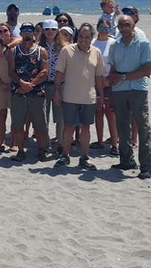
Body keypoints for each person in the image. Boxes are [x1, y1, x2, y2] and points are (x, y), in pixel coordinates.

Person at [107, 15, 151, 179]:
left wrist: (124, 77)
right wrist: (111, 93)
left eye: (127, 24)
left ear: (133, 25)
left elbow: (146, 70)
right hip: (119, 91)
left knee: (143, 127)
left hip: (138, 90)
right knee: (122, 127)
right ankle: (126, 160)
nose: (124, 27)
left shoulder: (143, 43)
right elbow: (112, 71)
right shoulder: (115, 46)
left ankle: (146, 166)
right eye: (121, 25)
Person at [53, 23, 105, 171]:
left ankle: (84, 157)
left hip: (88, 97)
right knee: (68, 127)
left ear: (91, 38)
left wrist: (101, 95)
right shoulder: (66, 51)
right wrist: (56, 91)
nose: (83, 40)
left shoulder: (96, 52)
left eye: (87, 37)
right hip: (69, 96)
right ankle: (65, 155)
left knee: (86, 127)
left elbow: (99, 76)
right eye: (81, 36)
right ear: (77, 37)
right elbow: (59, 74)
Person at [9, 22, 50, 162]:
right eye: (24, 30)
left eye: (30, 30)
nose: (27, 33)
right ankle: (21, 151)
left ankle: (41, 150)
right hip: (18, 92)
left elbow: (44, 71)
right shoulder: (13, 51)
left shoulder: (41, 51)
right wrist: (22, 83)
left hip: (37, 93)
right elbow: (11, 71)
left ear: (34, 33)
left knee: (40, 125)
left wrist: (31, 84)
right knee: (18, 124)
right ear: (20, 33)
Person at [40, 20, 70, 153]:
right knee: (43, 117)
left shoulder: (64, 48)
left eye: (53, 29)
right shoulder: (38, 47)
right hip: (43, 85)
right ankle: (45, 144)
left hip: (60, 86)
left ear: (57, 31)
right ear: (43, 31)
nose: (50, 32)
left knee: (60, 118)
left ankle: (60, 144)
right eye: (47, 29)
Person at [90, 18, 119, 156]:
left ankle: (114, 144)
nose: (103, 30)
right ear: (97, 29)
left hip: (110, 82)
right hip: (95, 82)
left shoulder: (113, 43)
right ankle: (100, 141)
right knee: (98, 111)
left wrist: (109, 79)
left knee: (110, 113)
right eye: (101, 28)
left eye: (106, 28)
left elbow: (117, 63)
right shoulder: (92, 43)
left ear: (110, 29)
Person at [0, 24, 18, 152]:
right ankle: (1, 142)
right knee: (1, 116)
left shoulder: (16, 45)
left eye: (5, 31)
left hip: (14, 85)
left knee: (15, 116)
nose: (3, 33)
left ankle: (12, 143)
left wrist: (7, 46)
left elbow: (21, 39)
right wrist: (0, 83)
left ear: (10, 31)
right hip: (1, 85)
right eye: (0, 31)